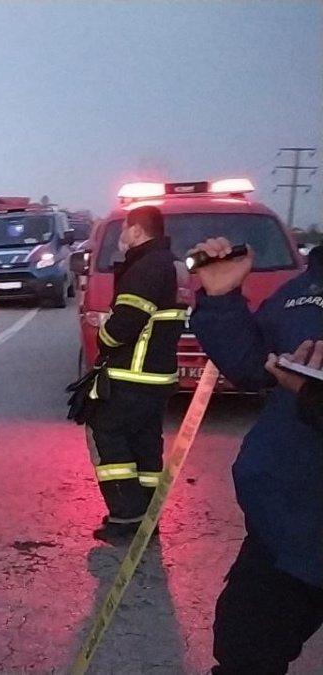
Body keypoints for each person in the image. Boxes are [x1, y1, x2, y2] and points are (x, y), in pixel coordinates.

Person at [189, 240, 323, 675]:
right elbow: (252, 365)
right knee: (243, 653)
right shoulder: (303, 289)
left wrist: (314, 397)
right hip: (285, 529)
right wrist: (222, 298)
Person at [85, 205, 183, 542]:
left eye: (124, 230)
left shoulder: (145, 268)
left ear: (138, 230)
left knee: (107, 434)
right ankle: (146, 518)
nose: (122, 237)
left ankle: (126, 517)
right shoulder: (164, 263)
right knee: (144, 446)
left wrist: (103, 333)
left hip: (133, 374)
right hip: (153, 376)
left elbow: (125, 324)